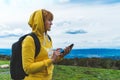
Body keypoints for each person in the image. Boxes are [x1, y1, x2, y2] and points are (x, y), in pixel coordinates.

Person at [22, 9, 71, 80]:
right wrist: (51, 60)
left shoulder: (48, 38)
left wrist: (61, 55)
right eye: (49, 20)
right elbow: (28, 68)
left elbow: (51, 60)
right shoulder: (30, 39)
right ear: (40, 21)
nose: (51, 23)